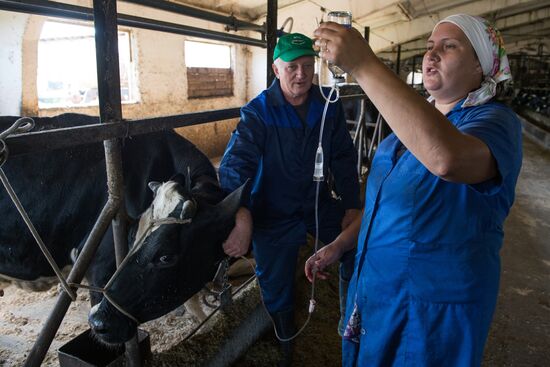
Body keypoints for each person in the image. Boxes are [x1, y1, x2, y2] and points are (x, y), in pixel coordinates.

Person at [305, 14, 523, 366]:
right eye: (429, 47)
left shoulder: (496, 123)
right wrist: (341, 244)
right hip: (379, 288)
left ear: (481, 66)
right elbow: (386, 201)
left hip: (432, 306)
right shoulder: (412, 121)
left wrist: (363, 64)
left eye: (449, 46)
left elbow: (447, 160)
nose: (432, 55)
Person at [218, 33, 361, 365]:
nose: (301, 74)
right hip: (273, 210)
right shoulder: (259, 112)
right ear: (276, 69)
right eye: (292, 66)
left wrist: (352, 204)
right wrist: (241, 212)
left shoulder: (328, 105)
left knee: (358, 245)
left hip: (317, 202)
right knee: (274, 280)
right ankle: (286, 342)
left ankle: (351, 320)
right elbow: (235, 164)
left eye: (308, 66)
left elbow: (342, 157)